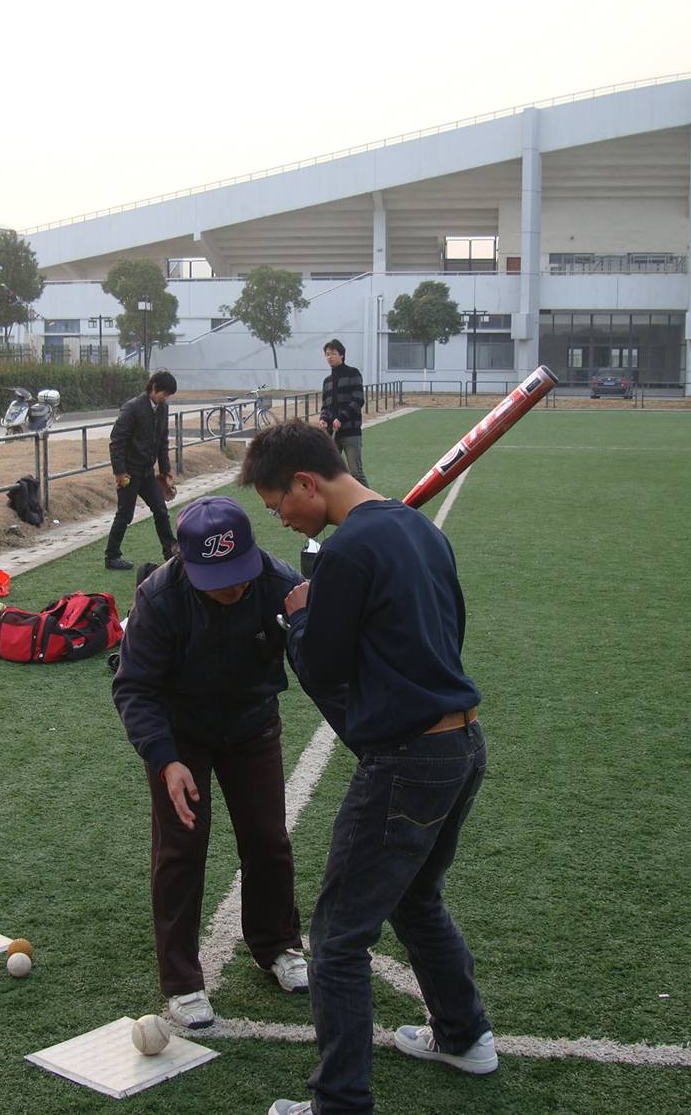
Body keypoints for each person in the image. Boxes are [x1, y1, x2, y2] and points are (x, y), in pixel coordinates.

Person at [241, 422, 495, 1115]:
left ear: (305, 482)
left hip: (408, 759)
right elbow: (444, 631)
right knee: (415, 900)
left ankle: (339, 1103)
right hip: (463, 744)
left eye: (278, 504)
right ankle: (463, 1036)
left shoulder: (350, 550)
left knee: (338, 936)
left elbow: (322, 667)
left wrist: (299, 615)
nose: (280, 518)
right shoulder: (417, 530)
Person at [111, 495, 321, 1030]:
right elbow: (135, 687)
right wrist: (164, 760)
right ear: (186, 563)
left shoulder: (280, 584)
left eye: (240, 573)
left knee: (268, 839)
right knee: (180, 850)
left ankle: (277, 944)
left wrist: (307, 625)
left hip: (253, 725)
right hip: (181, 736)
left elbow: (321, 662)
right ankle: (181, 981)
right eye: (218, 577)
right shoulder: (159, 597)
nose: (234, 587)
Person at [106, 370, 180, 570]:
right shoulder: (132, 408)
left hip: (147, 472)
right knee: (125, 514)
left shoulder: (163, 408)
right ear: (154, 387)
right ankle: (112, 556)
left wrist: (165, 472)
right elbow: (116, 442)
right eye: (164, 393)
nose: (165, 398)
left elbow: (162, 441)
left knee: (161, 510)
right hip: (129, 472)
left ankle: (170, 551)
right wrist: (120, 472)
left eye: (168, 395)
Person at [318, 339, 368, 487]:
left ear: (342, 355)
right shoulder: (327, 381)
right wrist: (323, 418)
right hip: (331, 433)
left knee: (356, 473)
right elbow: (325, 405)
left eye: (333, 353)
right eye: (327, 354)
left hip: (351, 433)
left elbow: (358, 400)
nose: (329, 357)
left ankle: (371, 505)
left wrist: (341, 418)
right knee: (329, 471)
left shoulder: (353, 373)